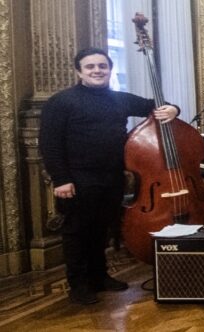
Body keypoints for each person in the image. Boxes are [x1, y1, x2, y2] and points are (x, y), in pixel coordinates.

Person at [40, 48, 181, 305]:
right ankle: (79, 285)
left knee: (101, 229)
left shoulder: (119, 99)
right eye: (90, 66)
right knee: (77, 231)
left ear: (109, 69)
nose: (97, 70)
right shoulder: (61, 102)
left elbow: (155, 105)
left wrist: (174, 109)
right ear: (79, 71)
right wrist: (61, 179)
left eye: (102, 66)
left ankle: (99, 276)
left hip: (112, 176)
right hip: (77, 178)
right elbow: (50, 144)